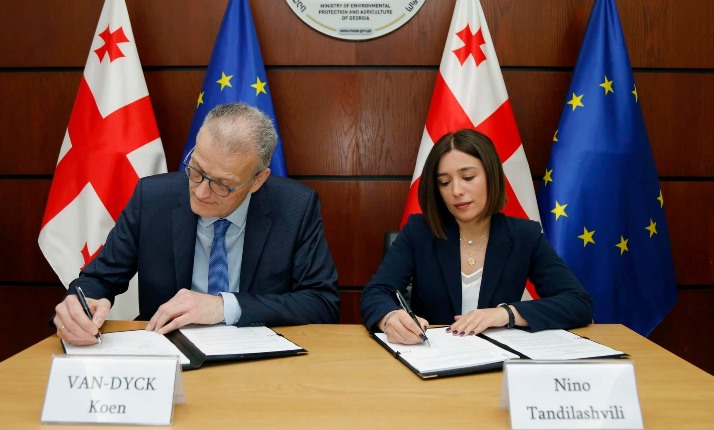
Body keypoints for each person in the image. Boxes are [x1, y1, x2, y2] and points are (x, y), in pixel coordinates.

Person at [54, 103, 340, 345]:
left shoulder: (294, 207)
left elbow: (322, 302)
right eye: (197, 171)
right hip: (169, 352)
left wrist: (223, 306)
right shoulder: (153, 198)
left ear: (257, 180)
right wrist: (81, 304)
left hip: (258, 360)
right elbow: (99, 279)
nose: (201, 192)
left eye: (223, 185)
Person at [360, 129, 592, 344]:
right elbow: (376, 292)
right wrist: (389, 318)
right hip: (430, 356)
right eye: (444, 182)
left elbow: (578, 302)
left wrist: (505, 313)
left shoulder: (524, 235)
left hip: (497, 359)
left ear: (491, 176)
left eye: (468, 177)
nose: (456, 191)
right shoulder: (419, 231)